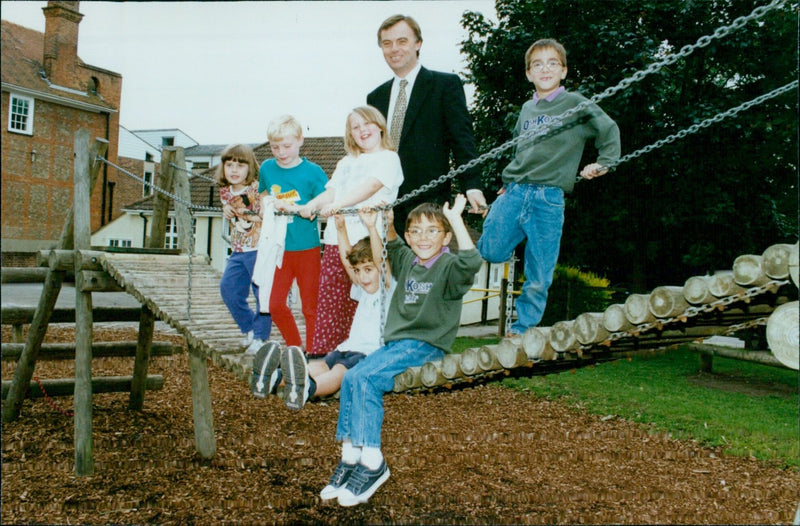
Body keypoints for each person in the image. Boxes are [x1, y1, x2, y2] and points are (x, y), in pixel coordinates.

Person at [320, 194, 483, 507]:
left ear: (446, 236)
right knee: (353, 377)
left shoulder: (449, 267)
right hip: (396, 345)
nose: (423, 237)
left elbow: (471, 262)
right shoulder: (407, 259)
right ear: (409, 236)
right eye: (416, 231)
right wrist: (385, 222)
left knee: (366, 381)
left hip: (425, 345)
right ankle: (350, 456)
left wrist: (457, 218)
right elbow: (391, 246)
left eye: (432, 231)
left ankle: (372, 462)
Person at [477, 38, 621, 336]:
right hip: (516, 191)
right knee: (491, 251)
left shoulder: (576, 104)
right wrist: (506, 184)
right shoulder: (527, 110)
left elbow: (608, 129)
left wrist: (603, 162)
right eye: (537, 64)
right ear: (529, 73)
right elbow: (521, 150)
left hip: (549, 198)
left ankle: (522, 329)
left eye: (552, 63)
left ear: (564, 71)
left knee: (540, 271)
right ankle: (495, 216)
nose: (545, 69)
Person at [251, 209, 396, 410]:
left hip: (369, 353)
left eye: (368, 270)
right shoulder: (363, 289)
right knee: (317, 365)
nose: (363, 277)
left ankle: (307, 390)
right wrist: (341, 228)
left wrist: (372, 227)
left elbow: (381, 262)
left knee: (337, 373)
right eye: (359, 271)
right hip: (346, 347)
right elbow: (348, 262)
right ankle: (274, 378)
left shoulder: (387, 288)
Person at [366, 14, 488, 233]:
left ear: (418, 43)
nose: (394, 49)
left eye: (402, 41)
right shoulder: (375, 98)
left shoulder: (445, 86)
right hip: (382, 205)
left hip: (427, 205)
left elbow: (463, 140)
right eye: (387, 43)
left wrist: (472, 186)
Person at [298, 106, 403, 357]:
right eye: (355, 127)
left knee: (366, 301)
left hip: (369, 243)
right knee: (331, 305)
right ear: (350, 135)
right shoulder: (346, 162)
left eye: (366, 123)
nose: (362, 130)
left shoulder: (389, 158)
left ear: (379, 126)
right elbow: (332, 191)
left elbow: (371, 187)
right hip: (338, 240)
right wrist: (313, 205)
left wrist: (338, 206)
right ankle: (323, 358)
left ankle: (359, 355)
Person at [257, 115, 328, 353]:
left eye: (286, 146)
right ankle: (296, 349)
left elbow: (326, 200)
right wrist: (265, 203)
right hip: (279, 249)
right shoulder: (267, 168)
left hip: (307, 249)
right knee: (274, 304)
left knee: (311, 306)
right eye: (274, 147)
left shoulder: (314, 172)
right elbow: (261, 196)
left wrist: (305, 207)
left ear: (300, 141)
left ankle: (315, 352)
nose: (280, 152)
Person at [217, 144, 272, 356]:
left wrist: (242, 212)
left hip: (259, 248)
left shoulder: (257, 190)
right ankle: (249, 328)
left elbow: (266, 216)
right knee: (229, 289)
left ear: (250, 168)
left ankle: (261, 337)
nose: (234, 170)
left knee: (262, 294)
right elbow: (229, 209)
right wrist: (225, 208)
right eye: (229, 165)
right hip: (239, 250)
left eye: (240, 166)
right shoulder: (225, 191)